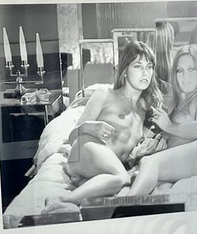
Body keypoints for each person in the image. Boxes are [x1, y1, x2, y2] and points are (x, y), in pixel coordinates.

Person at [46, 40, 162, 211]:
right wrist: (89, 127)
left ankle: (78, 196)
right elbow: (71, 138)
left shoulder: (144, 109)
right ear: (124, 70)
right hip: (86, 149)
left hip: (101, 169)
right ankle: (61, 200)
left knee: (120, 181)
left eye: (149, 67)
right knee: (121, 178)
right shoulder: (105, 94)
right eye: (138, 66)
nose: (145, 72)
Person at [126, 44, 197, 197]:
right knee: (146, 163)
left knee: (150, 163)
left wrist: (168, 126)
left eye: (191, 69)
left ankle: (124, 206)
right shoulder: (177, 102)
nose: (185, 77)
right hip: (183, 162)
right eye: (180, 71)